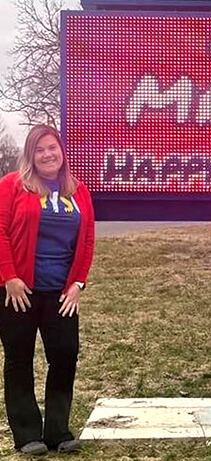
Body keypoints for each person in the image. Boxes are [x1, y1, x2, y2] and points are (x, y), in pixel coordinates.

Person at [0, 125, 95, 455]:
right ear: (31, 155)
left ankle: (58, 431)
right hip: (18, 291)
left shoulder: (78, 191)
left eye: (52, 148)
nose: (47, 154)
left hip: (61, 293)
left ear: (61, 151)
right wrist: (9, 277)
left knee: (65, 356)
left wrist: (78, 284)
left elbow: (86, 242)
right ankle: (27, 434)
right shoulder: (12, 186)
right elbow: (0, 232)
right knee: (19, 359)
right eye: (39, 150)